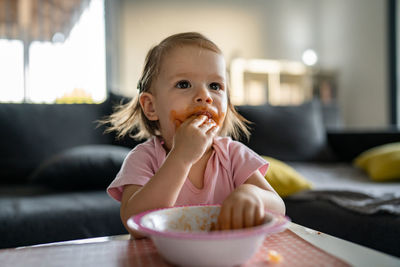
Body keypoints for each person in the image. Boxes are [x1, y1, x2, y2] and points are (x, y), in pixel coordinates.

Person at [104, 32, 285, 238]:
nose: (205, 96)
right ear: (151, 106)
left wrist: (252, 195)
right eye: (184, 84)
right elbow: (134, 221)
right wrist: (181, 157)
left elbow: (278, 205)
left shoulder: (233, 155)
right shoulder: (144, 158)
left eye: (215, 86)